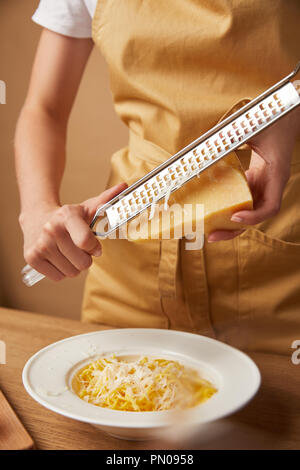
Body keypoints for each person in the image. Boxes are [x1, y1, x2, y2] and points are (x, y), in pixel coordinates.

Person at [15, 0, 300, 354]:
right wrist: (37, 209)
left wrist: (292, 111)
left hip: (279, 261)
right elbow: (44, 108)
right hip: (134, 260)